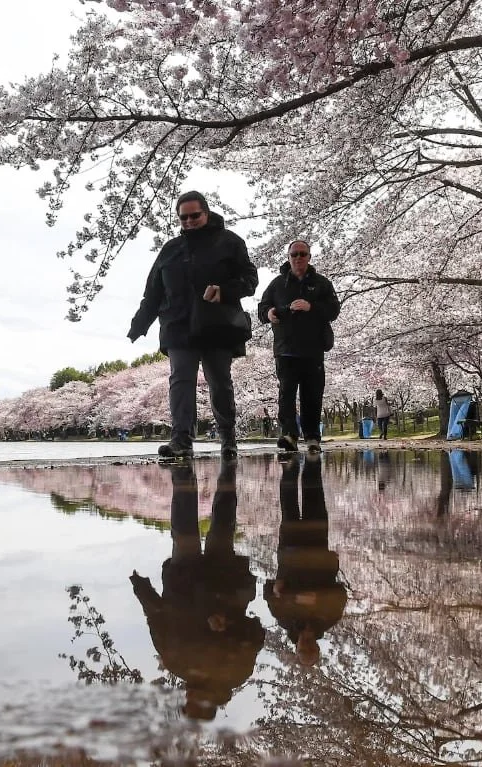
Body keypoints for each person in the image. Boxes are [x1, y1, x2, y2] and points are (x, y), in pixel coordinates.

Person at [129, 191, 259, 460]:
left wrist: (224, 291)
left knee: (219, 382)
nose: (188, 221)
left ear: (207, 213)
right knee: (181, 380)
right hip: (178, 325)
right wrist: (140, 324)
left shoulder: (230, 242)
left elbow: (250, 280)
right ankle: (181, 441)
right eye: (183, 217)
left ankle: (227, 438)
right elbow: (153, 291)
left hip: (217, 324)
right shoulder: (170, 249)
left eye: (194, 216)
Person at [130, 462, 263, 720]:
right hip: (223, 583)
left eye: (186, 701)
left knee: (184, 531)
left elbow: (157, 620)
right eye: (192, 702)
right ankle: (227, 473)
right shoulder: (235, 671)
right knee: (222, 527)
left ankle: (183, 476)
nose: (187, 696)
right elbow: (256, 633)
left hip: (184, 581)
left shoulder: (177, 664)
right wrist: (230, 623)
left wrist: (142, 589)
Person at [257, 240, 340, 452]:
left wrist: (311, 306)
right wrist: (269, 313)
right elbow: (262, 308)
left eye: (302, 254)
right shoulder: (277, 284)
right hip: (285, 349)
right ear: (288, 257)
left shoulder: (322, 284)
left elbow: (333, 310)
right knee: (286, 394)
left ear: (309, 257)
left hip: (313, 349)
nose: (298, 258)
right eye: (294, 254)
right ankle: (289, 435)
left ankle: (312, 437)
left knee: (312, 394)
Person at [264, 454, 347, 668]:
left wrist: (276, 589)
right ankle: (312, 461)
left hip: (290, 551)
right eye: (312, 649)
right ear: (318, 647)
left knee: (288, 502)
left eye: (303, 649)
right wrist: (317, 596)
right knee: (315, 495)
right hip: (317, 547)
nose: (308, 645)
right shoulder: (329, 618)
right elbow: (341, 593)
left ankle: (288, 465)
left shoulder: (283, 619)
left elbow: (267, 590)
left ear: (297, 647)